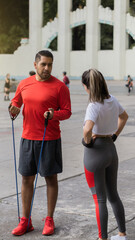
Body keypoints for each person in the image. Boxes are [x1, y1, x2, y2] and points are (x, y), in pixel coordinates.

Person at [9, 50, 72, 236]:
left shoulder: (60, 87)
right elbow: (15, 104)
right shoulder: (24, 84)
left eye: (50, 64)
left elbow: (67, 111)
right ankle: (25, 221)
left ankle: (49, 219)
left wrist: (54, 115)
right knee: (26, 179)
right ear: (35, 64)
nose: (47, 68)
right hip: (28, 138)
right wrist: (13, 110)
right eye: (43, 64)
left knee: (51, 179)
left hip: (50, 139)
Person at [82, 69, 128, 240]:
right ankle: (122, 234)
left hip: (95, 153)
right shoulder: (112, 100)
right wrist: (115, 134)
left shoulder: (93, 105)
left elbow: (87, 129)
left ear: (87, 86)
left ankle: (103, 238)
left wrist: (87, 141)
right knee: (113, 195)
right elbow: (124, 117)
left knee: (100, 199)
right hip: (110, 148)